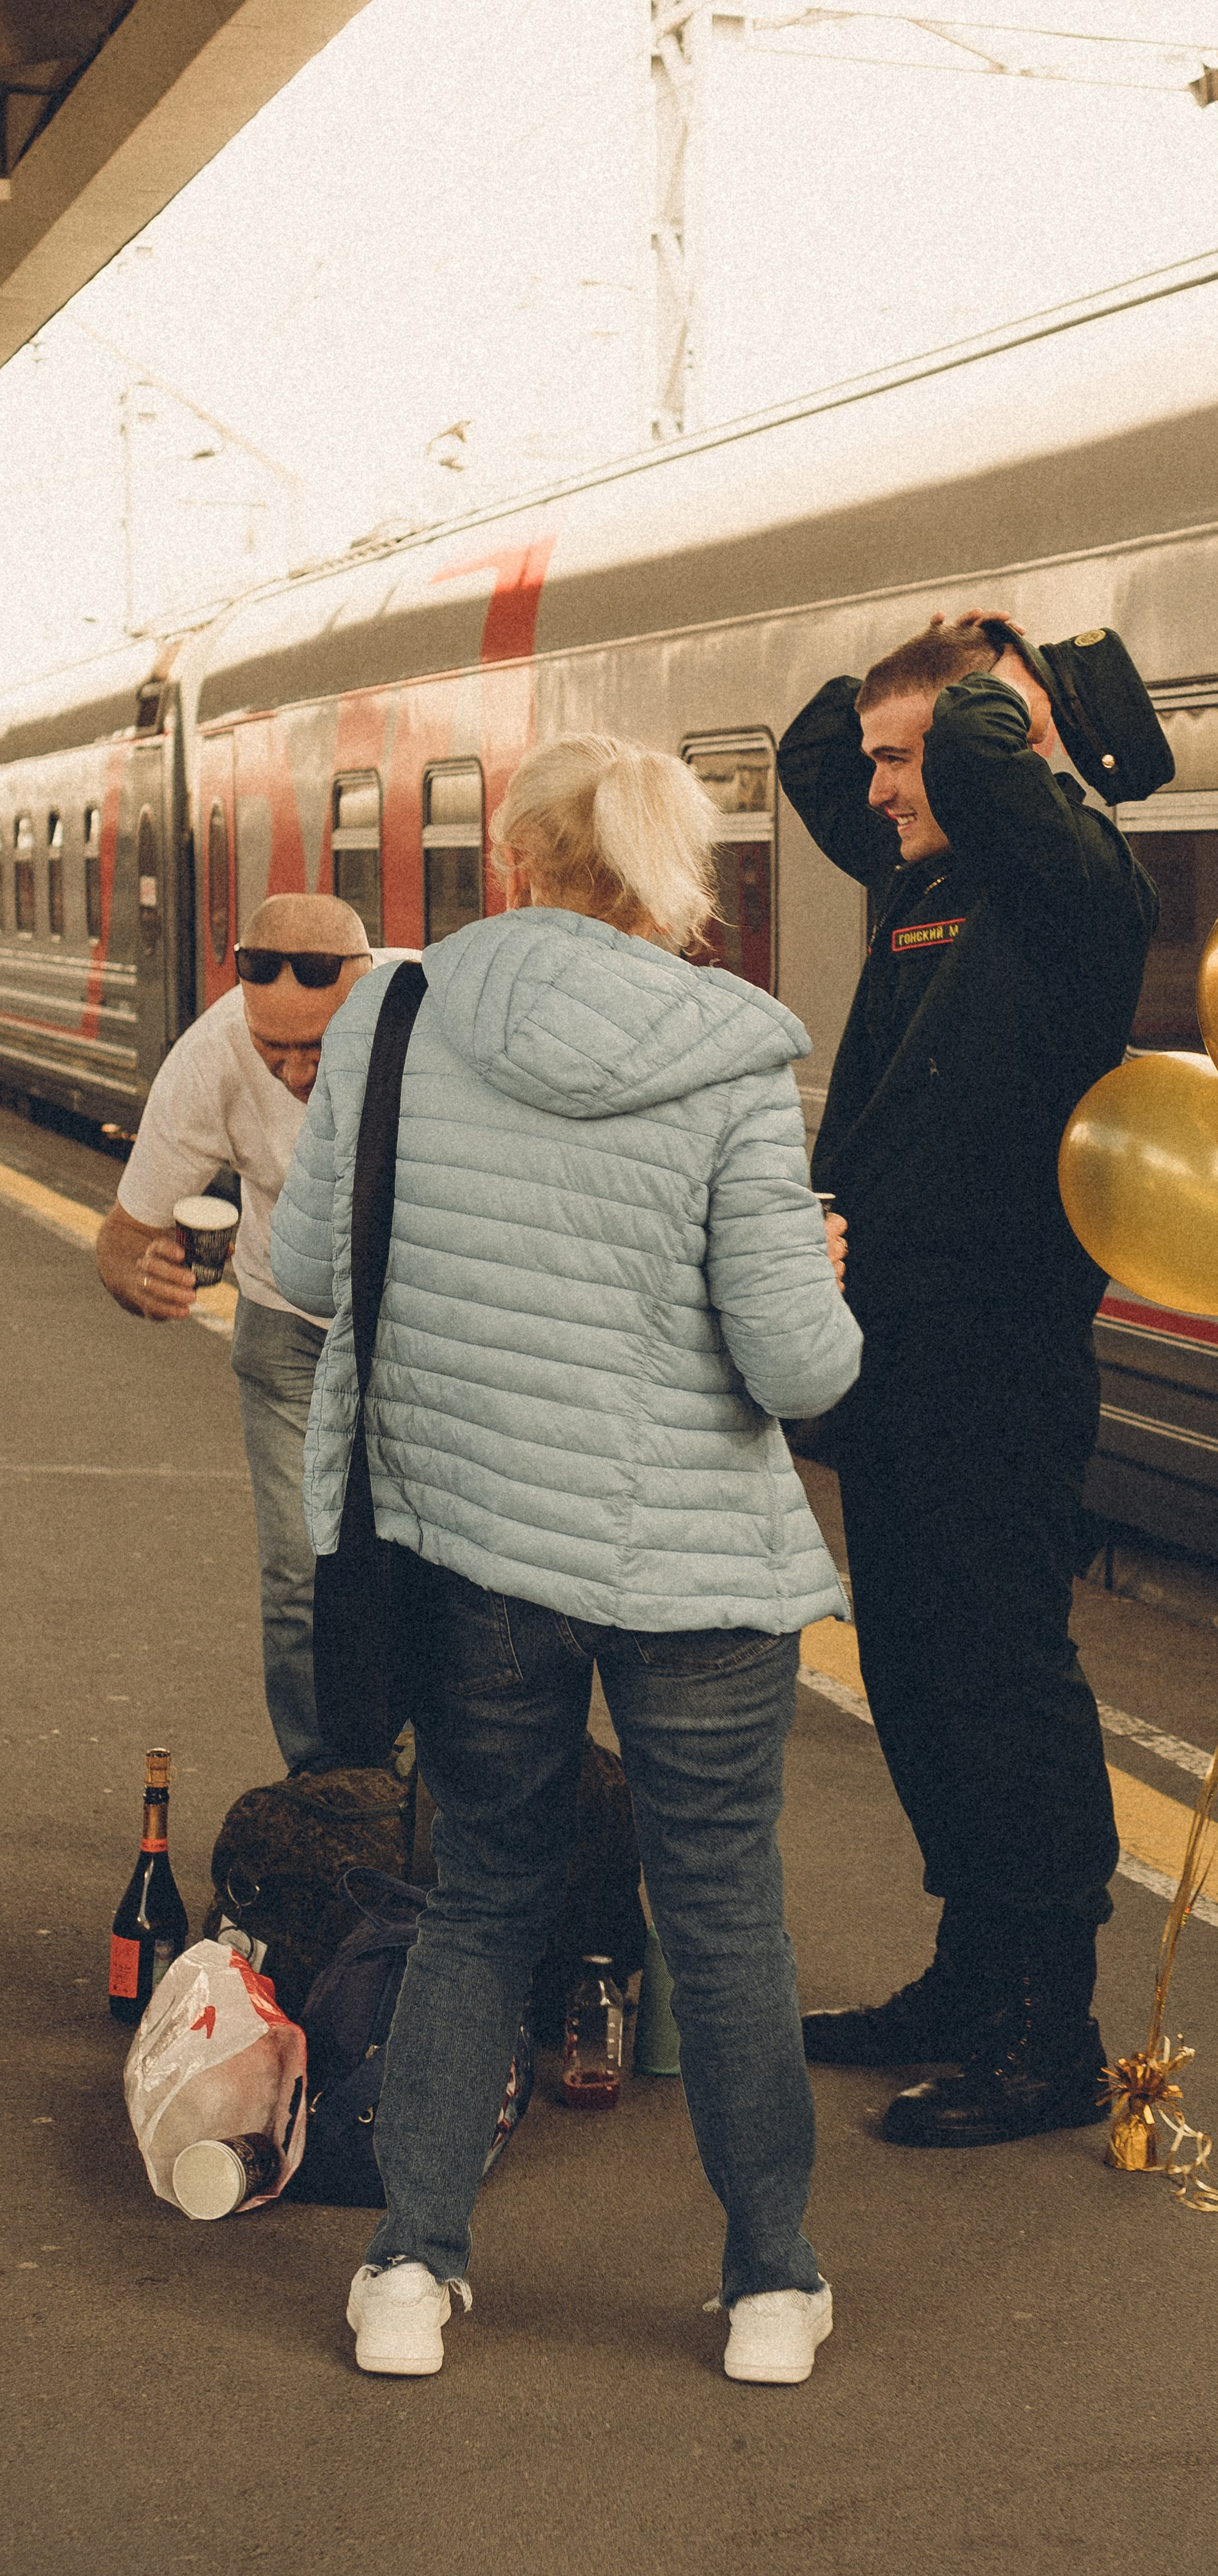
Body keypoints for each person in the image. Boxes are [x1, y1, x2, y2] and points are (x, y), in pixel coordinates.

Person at [271, 732, 862, 2386]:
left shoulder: (392, 1012)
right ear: (674, 882)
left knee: (480, 1894)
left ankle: (408, 2270)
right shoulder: (737, 1056)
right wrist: (819, 1269)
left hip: (473, 1545)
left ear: (510, 867)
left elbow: (310, 1262)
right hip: (695, 1574)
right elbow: (797, 1369)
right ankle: (765, 2287)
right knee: (722, 1911)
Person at [777, 612, 1157, 2148]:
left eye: (903, 759)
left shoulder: (1072, 897)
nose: (872, 789)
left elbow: (989, 764)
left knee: (1001, 1684)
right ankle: (964, 1975)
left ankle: (1045, 2033)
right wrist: (906, 701)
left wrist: (992, 699)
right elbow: (811, 749)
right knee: (918, 1680)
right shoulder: (926, 886)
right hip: (894, 1358)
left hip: (997, 1355)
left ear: (997, 747)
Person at [96, 893, 389, 1777]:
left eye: (319, 1047)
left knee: (430, 1570)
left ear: (364, 988)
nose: (298, 1076)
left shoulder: (425, 1011)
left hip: (422, 1332)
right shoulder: (210, 1055)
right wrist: (137, 1277)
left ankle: (429, 1790)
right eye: (277, 1052)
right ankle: (323, 1787)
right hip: (287, 1331)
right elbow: (121, 1236)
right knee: (301, 1573)